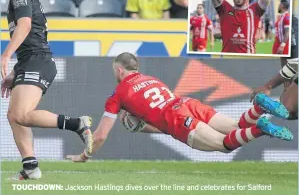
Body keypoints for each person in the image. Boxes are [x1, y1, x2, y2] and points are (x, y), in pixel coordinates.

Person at [68, 52, 293, 162]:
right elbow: (159, 118)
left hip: (176, 118)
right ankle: (259, 109)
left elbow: (99, 136)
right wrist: (144, 126)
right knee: (235, 126)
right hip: (187, 104)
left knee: (224, 145)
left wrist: (84, 156)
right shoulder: (151, 79)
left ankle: (261, 128)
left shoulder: (118, 94)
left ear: (119, 71)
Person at [1, 0, 93, 180]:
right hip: (30, 60)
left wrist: (5, 55)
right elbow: (29, 35)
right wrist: (14, 72)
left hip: (37, 60)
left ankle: (77, 124)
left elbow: (25, 26)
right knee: (14, 115)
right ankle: (30, 167)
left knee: (22, 114)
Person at [251, 15, 298, 120]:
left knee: (287, 108)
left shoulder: (291, 21)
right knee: (287, 108)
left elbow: (295, 64)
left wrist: (268, 86)